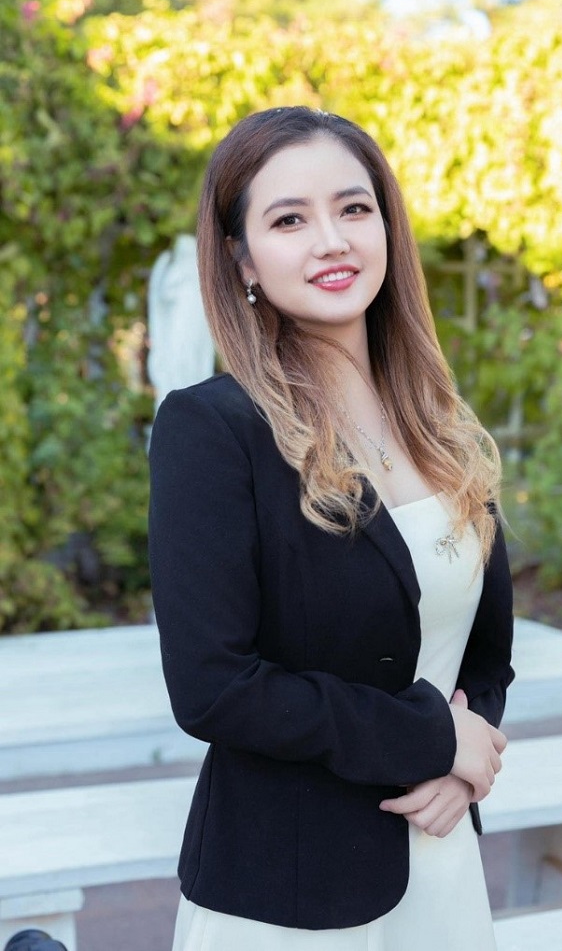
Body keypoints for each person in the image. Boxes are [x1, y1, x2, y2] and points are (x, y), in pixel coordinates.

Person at [148, 106, 514, 951]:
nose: (332, 241)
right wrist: (431, 739)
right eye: (289, 220)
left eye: (354, 208)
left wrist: (465, 763)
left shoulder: (440, 427)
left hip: (442, 861)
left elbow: (480, 653)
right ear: (242, 259)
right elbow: (214, 687)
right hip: (289, 896)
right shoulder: (212, 430)